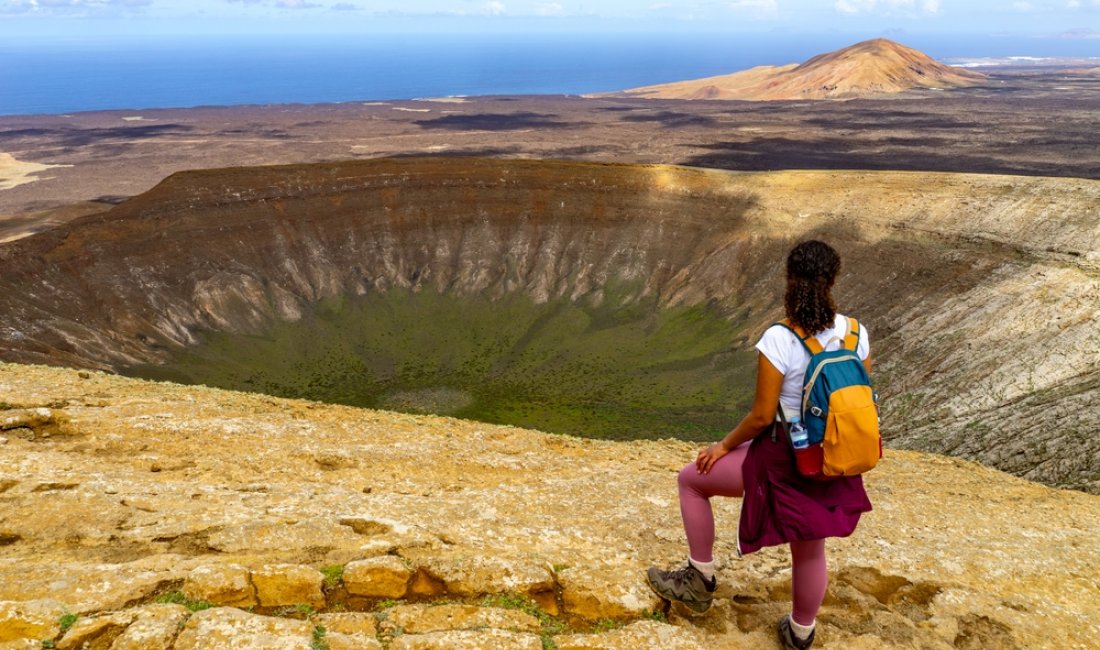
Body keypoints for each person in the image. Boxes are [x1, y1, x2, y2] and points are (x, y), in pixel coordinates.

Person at [646, 240, 873, 650]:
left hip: (785, 459)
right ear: (833, 279)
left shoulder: (780, 338)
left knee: (691, 481)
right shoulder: (856, 333)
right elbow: (859, 396)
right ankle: (800, 633)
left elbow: (761, 417)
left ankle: (699, 579)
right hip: (832, 458)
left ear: (790, 281)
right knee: (810, 546)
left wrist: (721, 447)